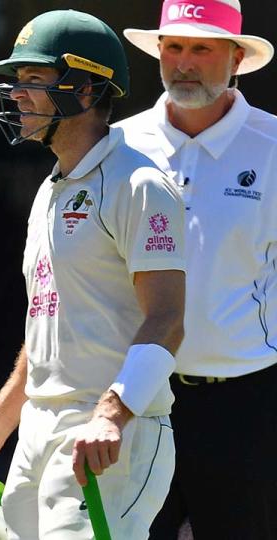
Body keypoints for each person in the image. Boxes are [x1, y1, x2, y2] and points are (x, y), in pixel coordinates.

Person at [0, 10, 187, 539]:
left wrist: (111, 414)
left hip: (109, 433)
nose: (16, 95)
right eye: (17, 82)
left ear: (84, 88)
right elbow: (45, 327)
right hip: (38, 429)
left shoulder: (140, 184)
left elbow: (168, 319)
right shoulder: (50, 190)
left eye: (33, 80)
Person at [117, 1, 277, 537]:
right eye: (174, 47)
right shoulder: (117, 144)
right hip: (133, 397)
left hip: (246, 403)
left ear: (236, 58)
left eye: (202, 48)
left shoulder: (273, 146)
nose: (184, 63)